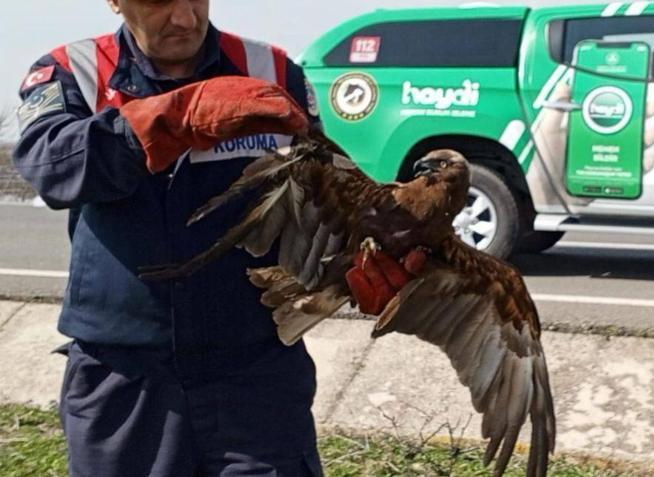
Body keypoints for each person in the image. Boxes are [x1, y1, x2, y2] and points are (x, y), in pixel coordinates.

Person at [12, 1, 408, 475]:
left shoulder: (273, 71)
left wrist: (358, 256)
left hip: (255, 378)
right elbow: (53, 168)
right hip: (126, 378)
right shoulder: (71, 71)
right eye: (158, 2)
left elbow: (321, 194)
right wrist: (170, 120)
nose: (183, 18)